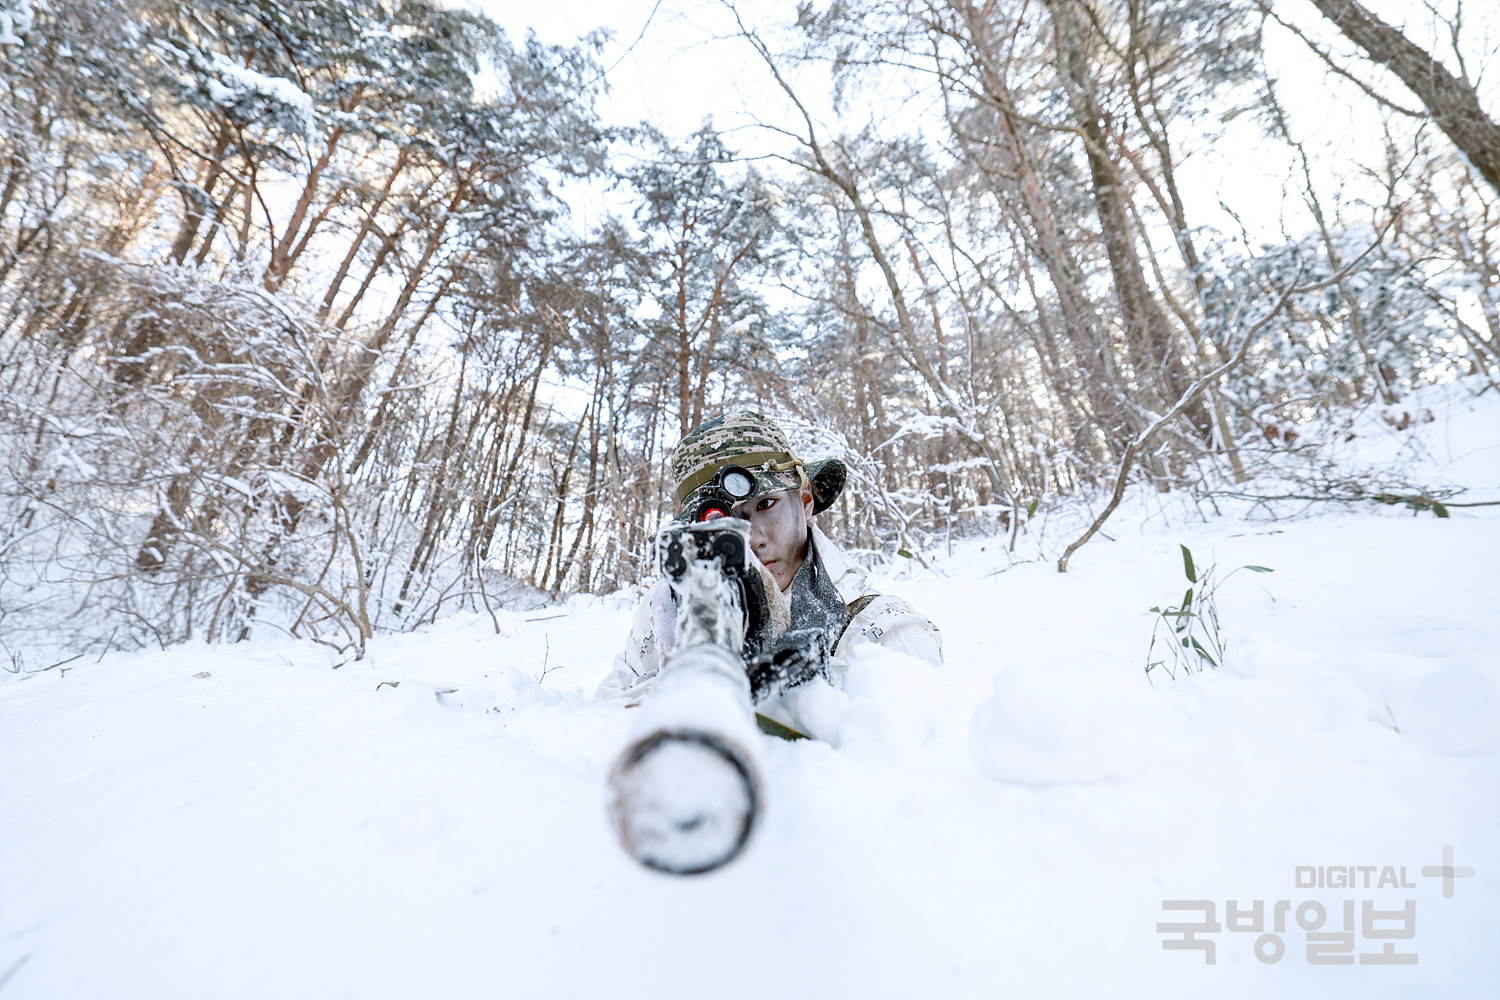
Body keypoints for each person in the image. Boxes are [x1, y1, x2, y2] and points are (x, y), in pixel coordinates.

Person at [596, 409, 942, 732]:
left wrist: (783, 688)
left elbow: (908, 745)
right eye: (723, 521)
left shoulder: (879, 623)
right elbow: (604, 724)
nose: (752, 538)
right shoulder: (668, 610)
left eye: (766, 504)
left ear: (805, 502)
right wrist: (684, 675)